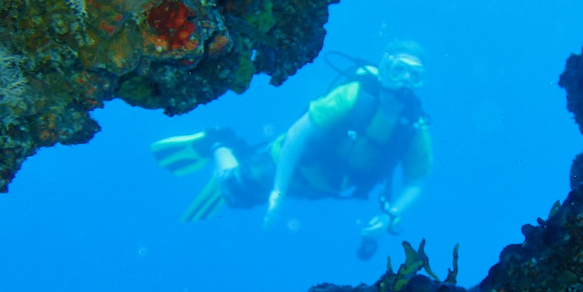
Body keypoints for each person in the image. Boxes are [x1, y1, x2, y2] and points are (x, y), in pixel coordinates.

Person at [151, 40, 433, 259]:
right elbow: (297, 135)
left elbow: (416, 182)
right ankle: (218, 141)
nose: (405, 80)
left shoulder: (413, 129)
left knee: (245, 200)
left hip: (323, 187)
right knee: (234, 192)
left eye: (415, 75)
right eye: (399, 70)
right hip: (285, 162)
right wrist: (278, 191)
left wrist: (389, 217)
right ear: (384, 69)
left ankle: (236, 159)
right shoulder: (354, 97)